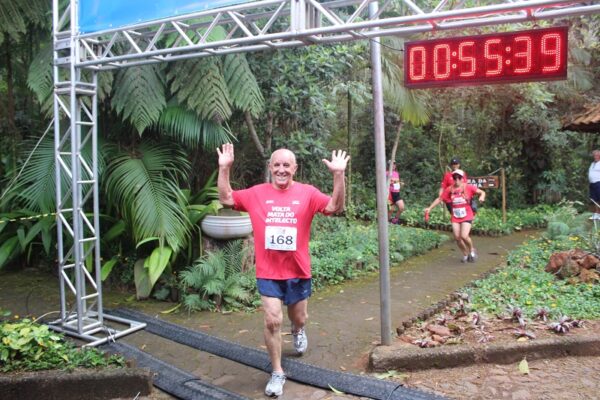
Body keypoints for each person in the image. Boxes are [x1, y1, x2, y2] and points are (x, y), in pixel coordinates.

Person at [216, 143, 349, 397]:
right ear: (270, 168)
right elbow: (226, 198)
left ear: (295, 168)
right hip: (268, 272)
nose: (281, 169)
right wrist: (224, 168)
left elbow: (334, 207)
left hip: (298, 271)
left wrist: (338, 175)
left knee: (298, 317)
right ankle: (277, 372)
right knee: (272, 320)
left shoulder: (307, 193)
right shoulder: (257, 193)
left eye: (286, 165)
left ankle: (298, 330)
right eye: (276, 165)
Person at [424, 169, 485, 263]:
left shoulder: (468, 187)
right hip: (455, 215)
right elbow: (440, 198)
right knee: (457, 238)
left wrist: (481, 197)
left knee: (464, 236)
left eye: (459, 177)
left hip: (467, 214)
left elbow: (482, 192)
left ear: (462, 178)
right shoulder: (450, 189)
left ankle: (472, 249)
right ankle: (465, 254)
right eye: (454, 178)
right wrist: (430, 208)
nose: (456, 180)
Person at [589, 150, 600, 220]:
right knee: (594, 199)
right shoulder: (592, 164)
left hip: (599, 183)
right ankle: (597, 214)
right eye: (594, 155)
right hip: (592, 184)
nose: (595, 157)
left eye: (596, 155)